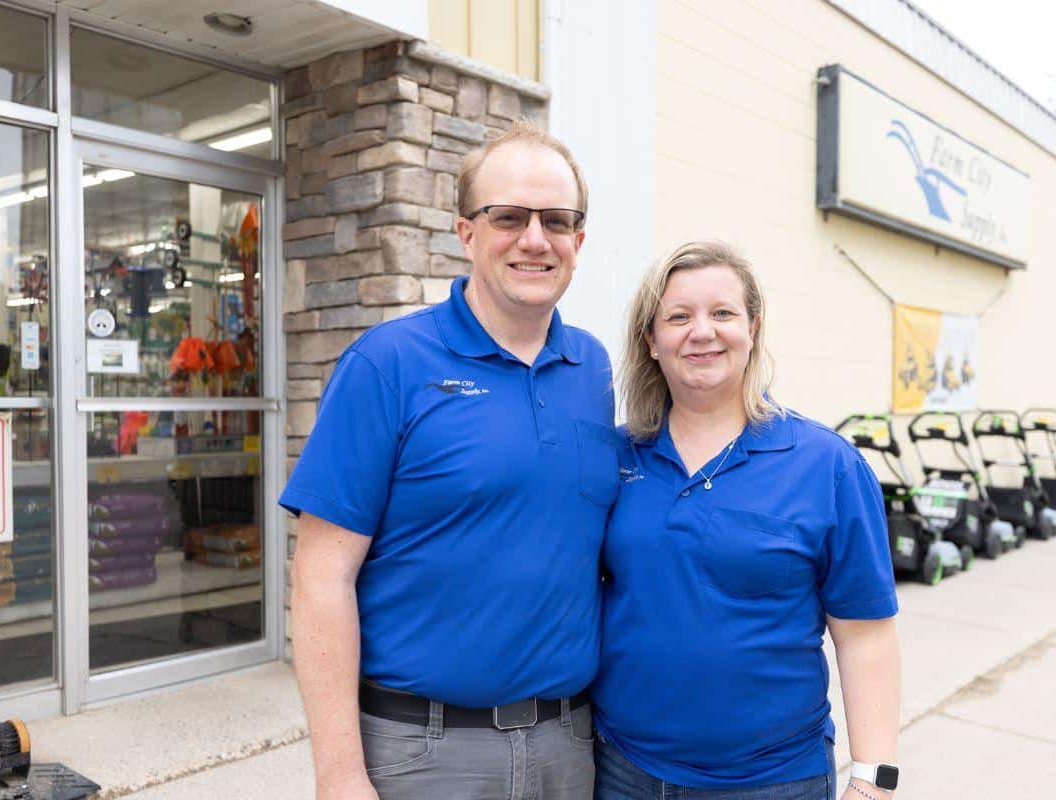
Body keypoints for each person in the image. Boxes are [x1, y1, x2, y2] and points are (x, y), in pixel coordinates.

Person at [279, 121, 618, 800]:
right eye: (509, 217)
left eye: (556, 220)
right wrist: (340, 774)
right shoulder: (388, 363)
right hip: (419, 753)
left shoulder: (594, 368)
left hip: (569, 749)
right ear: (466, 232)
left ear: (578, 241)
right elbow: (321, 577)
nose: (534, 238)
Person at [593, 241, 901, 800]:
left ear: (753, 328)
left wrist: (873, 777)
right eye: (678, 317)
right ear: (651, 341)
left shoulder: (825, 464)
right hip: (623, 771)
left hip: (774, 779)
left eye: (723, 313)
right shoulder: (614, 458)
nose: (702, 331)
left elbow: (865, 636)